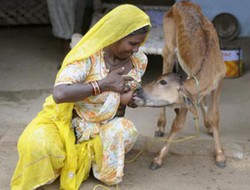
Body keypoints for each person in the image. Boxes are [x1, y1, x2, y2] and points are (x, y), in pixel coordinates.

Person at [11, 4, 151, 190]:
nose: (136, 49)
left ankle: (95, 165)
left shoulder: (139, 61)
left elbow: (123, 99)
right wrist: (102, 85)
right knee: (37, 142)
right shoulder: (89, 56)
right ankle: (76, 158)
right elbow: (60, 93)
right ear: (116, 35)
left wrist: (132, 99)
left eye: (140, 44)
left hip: (102, 126)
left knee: (125, 131)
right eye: (132, 43)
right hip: (68, 124)